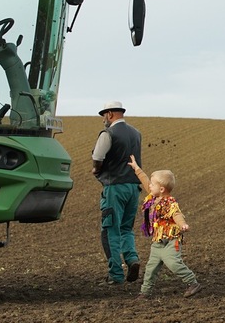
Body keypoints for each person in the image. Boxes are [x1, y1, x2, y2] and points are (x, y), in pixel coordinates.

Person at [127, 155, 202, 299]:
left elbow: (177, 215)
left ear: (161, 189)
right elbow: (145, 181)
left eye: (153, 185)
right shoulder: (154, 197)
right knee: (150, 269)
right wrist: (136, 168)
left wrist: (183, 225)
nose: (149, 186)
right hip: (157, 242)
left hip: (171, 241)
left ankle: (192, 283)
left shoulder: (170, 203)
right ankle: (145, 292)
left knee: (173, 263)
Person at [91, 101, 142, 285]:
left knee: (110, 230)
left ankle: (116, 275)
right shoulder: (136, 133)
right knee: (126, 228)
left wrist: (96, 170)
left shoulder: (108, 134)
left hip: (114, 187)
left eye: (104, 115)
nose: (104, 119)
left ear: (110, 114)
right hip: (134, 187)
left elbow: (97, 157)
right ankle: (132, 259)